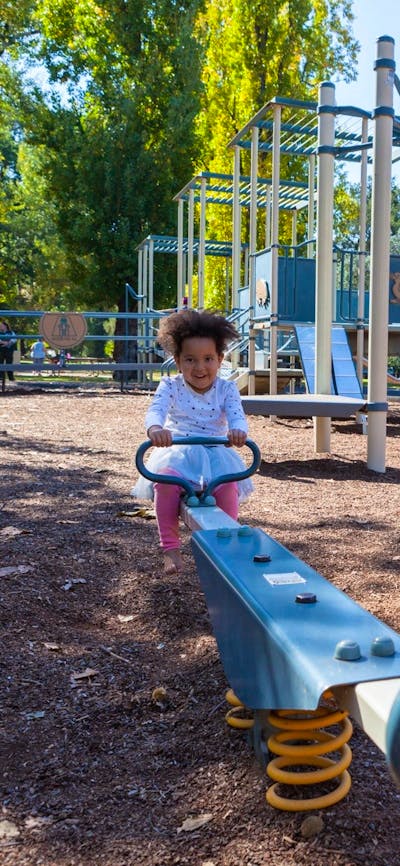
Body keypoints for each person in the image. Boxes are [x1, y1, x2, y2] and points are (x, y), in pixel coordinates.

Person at [132, 309, 253, 575]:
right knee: (165, 481)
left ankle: (225, 548)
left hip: (214, 451)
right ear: (177, 361)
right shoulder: (170, 386)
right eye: (190, 360)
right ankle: (171, 549)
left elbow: (236, 415)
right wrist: (155, 428)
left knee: (227, 485)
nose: (200, 367)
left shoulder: (227, 388)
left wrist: (237, 431)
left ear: (220, 360)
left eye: (208, 359)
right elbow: (156, 411)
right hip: (180, 450)